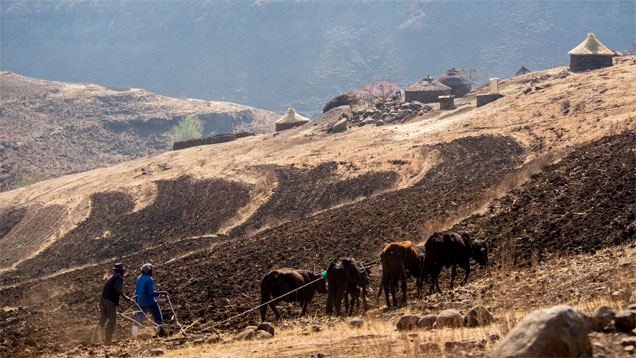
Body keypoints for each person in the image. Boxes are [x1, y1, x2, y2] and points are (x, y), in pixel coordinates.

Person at [92, 263, 132, 344]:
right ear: (120, 271)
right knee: (112, 321)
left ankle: (95, 339)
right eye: (123, 271)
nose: (123, 273)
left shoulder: (110, 277)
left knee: (102, 319)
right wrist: (125, 297)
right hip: (109, 300)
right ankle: (108, 340)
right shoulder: (119, 278)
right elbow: (117, 288)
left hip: (102, 298)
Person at [132, 263, 168, 337]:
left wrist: (138, 301)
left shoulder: (139, 278)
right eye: (151, 270)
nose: (152, 271)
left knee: (139, 318)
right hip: (149, 302)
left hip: (141, 302)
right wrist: (161, 292)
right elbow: (150, 293)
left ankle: (134, 334)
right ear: (147, 271)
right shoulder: (149, 279)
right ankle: (159, 331)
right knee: (157, 316)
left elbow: (136, 291)